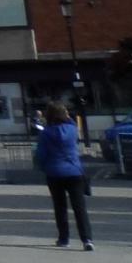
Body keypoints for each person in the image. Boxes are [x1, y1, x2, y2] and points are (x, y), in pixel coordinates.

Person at [34, 102, 93, 250]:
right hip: (74, 171)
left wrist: (43, 167)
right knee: (79, 207)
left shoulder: (46, 133)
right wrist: (67, 116)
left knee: (60, 207)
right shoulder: (72, 129)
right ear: (65, 114)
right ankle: (87, 239)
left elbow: (41, 154)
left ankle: (64, 238)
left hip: (55, 172)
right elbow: (71, 122)